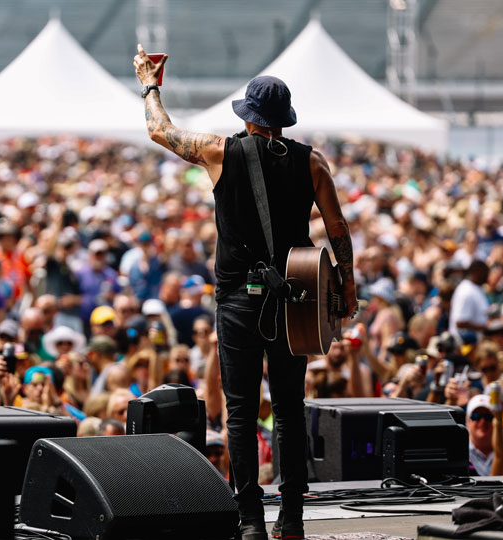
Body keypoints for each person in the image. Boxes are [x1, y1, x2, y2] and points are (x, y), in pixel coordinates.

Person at [135, 50, 357, 540]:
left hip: (238, 296)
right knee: (290, 405)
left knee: (239, 408)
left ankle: (250, 520)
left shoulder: (220, 151)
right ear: (283, 120)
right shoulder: (311, 162)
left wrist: (150, 85)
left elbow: (160, 131)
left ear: (248, 117)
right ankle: (293, 518)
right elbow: (337, 227)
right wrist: (347, 283)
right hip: (295, 296)